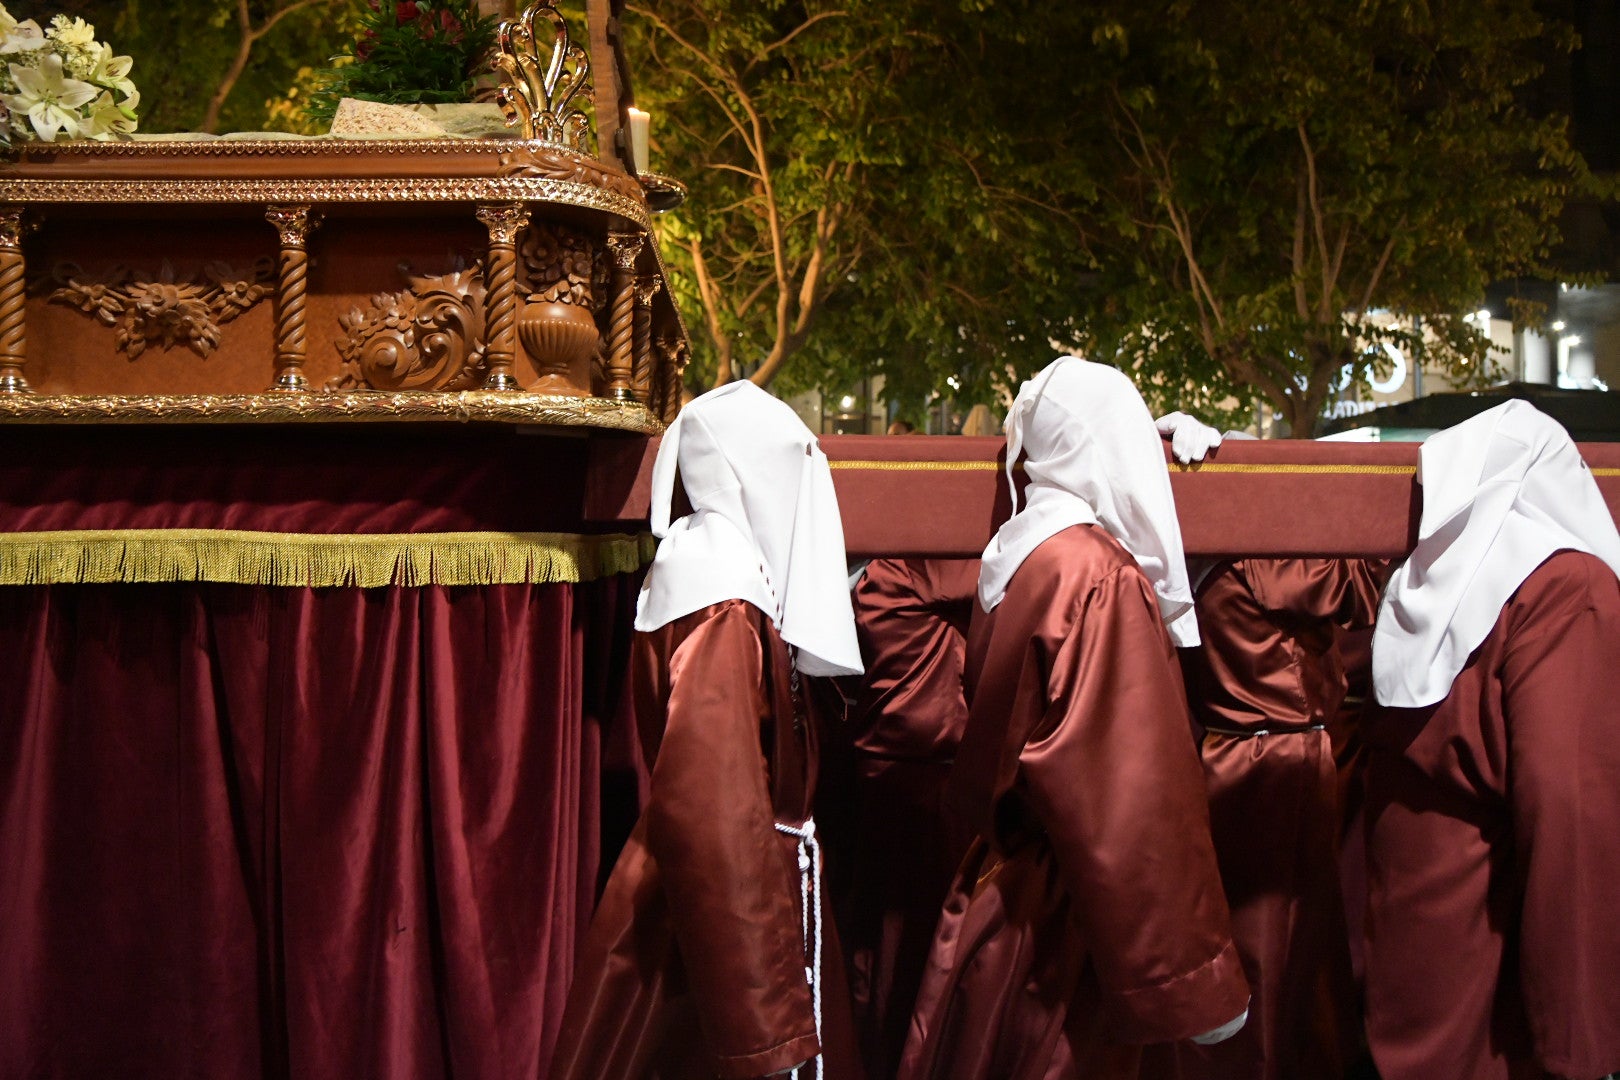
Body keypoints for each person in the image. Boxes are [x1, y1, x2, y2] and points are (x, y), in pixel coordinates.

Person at [899, 356, 1249, 1080]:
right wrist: (1192, 980)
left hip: (1006, 892)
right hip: (1074, 925)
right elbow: (1130, 802)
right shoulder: (1097, 575)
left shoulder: (1023, 551)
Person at [549, 381, 867, 1080]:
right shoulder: (724, 600)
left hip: (736, 890)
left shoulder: (712, 572)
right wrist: (765, 1023)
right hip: (728, 913)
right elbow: (713, 808)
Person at [1362, 400, 1620, 1080]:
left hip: (1412, 936)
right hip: (1497, 961)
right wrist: (1581, 1037)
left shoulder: (1423, 585)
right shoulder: (1567, 587)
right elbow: (1569, 813)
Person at [1144, 555, 1388, 1080]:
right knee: (1269, 947)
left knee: (1290, 943)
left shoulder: (1202, 547)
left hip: (1249, 755)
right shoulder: (1257, 555)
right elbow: (1356, 590)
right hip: (1266, 765)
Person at [825, 557, 980, 1078]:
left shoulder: (877, 569)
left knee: (889, 947)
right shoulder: (919, 565)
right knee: (921, 948)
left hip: (893, 773)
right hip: (928, 781)